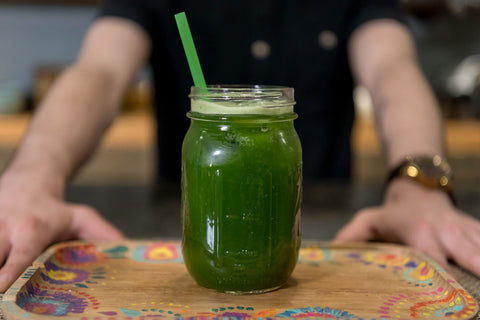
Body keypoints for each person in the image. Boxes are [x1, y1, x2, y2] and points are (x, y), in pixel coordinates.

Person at [0, 0, 479, 292]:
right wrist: (31, 178)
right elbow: (98, 73)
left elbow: (392, 69)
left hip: (329, 224)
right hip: (180, 210)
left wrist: (419, 184)